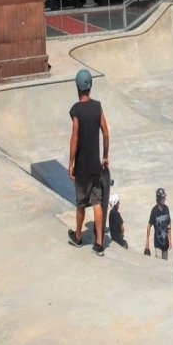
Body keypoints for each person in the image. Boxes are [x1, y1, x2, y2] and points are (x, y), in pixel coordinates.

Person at [68, 69, 110, 255]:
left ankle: (78, 237)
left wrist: (71, 163)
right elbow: (106, 133)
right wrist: (105, 156)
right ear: (90, 86)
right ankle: (99, 243)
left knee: (81, 204)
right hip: (95, 166)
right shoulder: (98, 107)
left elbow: (74, 138)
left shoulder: (76, 110)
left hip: (82, 168)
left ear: (78, 87)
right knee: (97, 203)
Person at [144, 188, 172, 259]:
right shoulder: (154, 211)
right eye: (163, 197)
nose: (164, 199)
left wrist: (170, 239)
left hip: (166, 244)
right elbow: (149, 226)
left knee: (164, 263)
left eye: (164, 197)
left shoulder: (166, 209)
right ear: (158, 198)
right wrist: (147, 241)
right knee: (159, 262)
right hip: (158, 244)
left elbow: (169, 225)